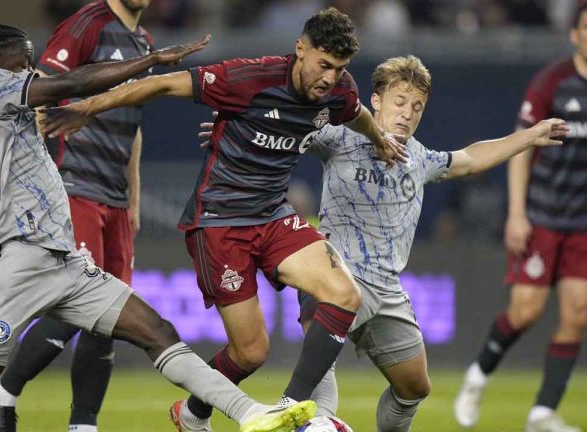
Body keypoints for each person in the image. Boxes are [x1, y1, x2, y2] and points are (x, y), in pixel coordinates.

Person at [0, 23, 317, 432]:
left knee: (156, 330)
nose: (31, 69)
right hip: (17, 260)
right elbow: (76, 84)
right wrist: (151, 61)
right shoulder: (0, 87)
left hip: (65, 260)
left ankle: (249, 413)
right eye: (24, 61)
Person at [39, 7, 409, 432]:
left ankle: (292, 408)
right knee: (250, 353)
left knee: (345, 294)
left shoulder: (338, 91)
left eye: (338, 68)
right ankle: (194, 413)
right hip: (219, 221)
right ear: (300, 49)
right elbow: (160, 83)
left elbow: (355, 109)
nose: (329, 77)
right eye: (323, 65)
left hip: (272, 214)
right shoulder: (249, 78)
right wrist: (88, 106)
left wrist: (379, 138)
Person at [283, 55, 565, 432]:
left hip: (386, 290)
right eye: (399, 102)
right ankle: (317, 422)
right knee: (319, 352)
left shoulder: (418, 158)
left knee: (414, 386)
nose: (407, 114)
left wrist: (530, 136)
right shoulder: (340, 135)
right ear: (377, 100)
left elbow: (470, 159)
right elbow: (286, 131)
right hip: (336, 275)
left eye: (417, 107)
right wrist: (235, 131)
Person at [0, 2, 155, 431]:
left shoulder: (144, 43)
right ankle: (0, 393)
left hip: (114, 198)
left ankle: (83, 424)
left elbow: (134, 128)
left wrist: (133, 196)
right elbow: (38, 88)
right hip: (74, 187)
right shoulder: (89, 23)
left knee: (109, 318)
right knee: (78, 302)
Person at [455, 3, 587, 432]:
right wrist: (517, 213)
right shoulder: (552, 81)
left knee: (577, 312)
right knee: (526, 311)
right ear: (575, 35)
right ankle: (477, 376)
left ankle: (542, 412)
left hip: (583, 225)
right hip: (544, 216)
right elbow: (521, 147)